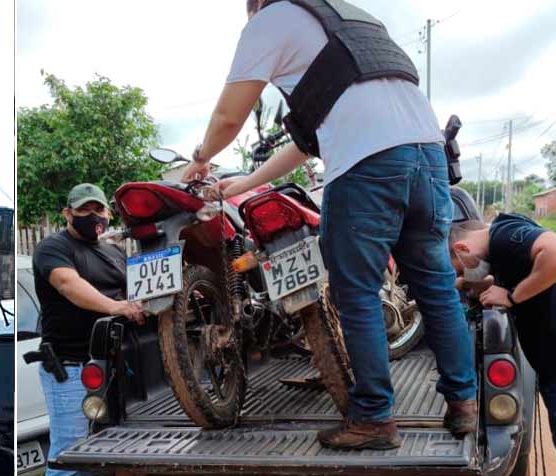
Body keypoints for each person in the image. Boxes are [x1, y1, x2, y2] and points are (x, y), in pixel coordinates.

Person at [181, 0, 477, 449]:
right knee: (436, 287)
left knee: (355, 293)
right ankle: (464, 404)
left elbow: (227, 118)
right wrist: (244, 183)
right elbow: (306, 144)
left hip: (366, 166)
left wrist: (201, 159)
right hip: (428, 157)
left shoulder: (270, 18)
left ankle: (374, 418)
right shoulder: (354, 23)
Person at [33, 183, 142, 476]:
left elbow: (135, 287)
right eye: (83, 210)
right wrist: (116, 307)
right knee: (67, 453)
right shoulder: (53, 248)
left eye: (98, 209)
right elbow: (68, 286)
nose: (92, 216)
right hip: (69, 366)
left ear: (108, 214)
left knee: (92, 451)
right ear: (68, 213)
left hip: (107, 366)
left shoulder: (112, 251)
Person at [446, 213, 556, 476]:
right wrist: (475, 286)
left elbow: (554, 252)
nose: (460, 274)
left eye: (456, 266)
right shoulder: (504, 244)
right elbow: (507, 273)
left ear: (461, 248)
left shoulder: (506, 236)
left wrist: (512, 297)